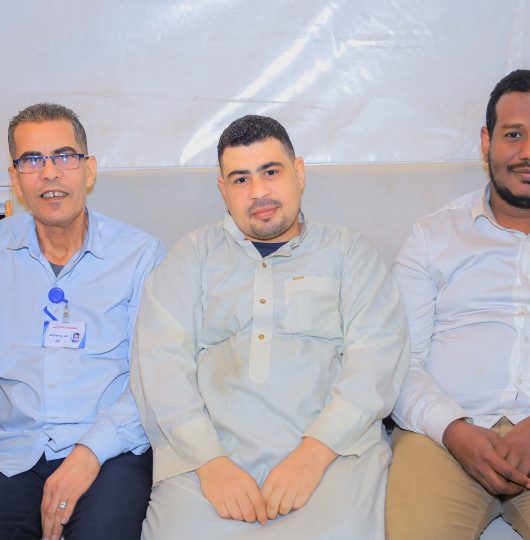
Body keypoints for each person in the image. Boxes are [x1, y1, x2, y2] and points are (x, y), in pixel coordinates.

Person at [131, 114, 409, 539]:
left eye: (271, 172)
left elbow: (377, 360)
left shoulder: (348, 252)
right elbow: (160, 365)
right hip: (206, 464)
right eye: (241, 179)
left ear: (299, 172)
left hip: (333, 457)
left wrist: (313, 454)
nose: (258, 192)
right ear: (223, 190)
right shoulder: (193, 257)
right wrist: (211, 463)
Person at [386, 69, 530, 540]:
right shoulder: (432, 235)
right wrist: (454, 430)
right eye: (513, 135)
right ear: (486, 142)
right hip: (444, 438)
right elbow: (399, 362)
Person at [0, 103, 165, 540]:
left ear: (89, 170)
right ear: (15, 178)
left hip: (111, 452)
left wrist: (90, 452)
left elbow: (153, 378)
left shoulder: (140, 257)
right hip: (13, 451)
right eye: (32, 160)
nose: (49, 173)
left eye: (64, 156)